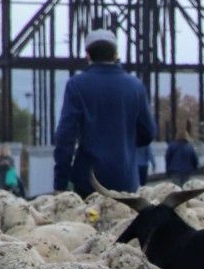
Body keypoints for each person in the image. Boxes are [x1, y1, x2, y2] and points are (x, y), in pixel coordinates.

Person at [52, 29, 155, 195]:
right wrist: (124, 143)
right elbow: (148, 133)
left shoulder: (76, 85)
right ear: (115, 54)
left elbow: (65, 136)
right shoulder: (135, 86)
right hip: (126, 180)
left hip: (88, 181)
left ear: (87, 55)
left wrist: (60, 182)